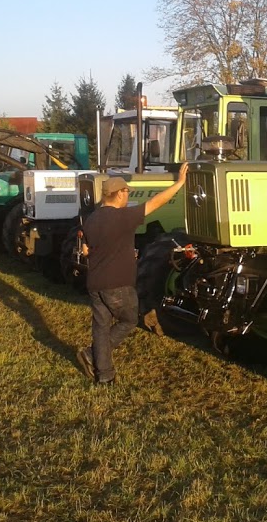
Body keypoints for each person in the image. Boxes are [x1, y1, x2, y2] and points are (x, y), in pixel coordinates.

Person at [77, 163, 189, 385]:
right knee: (129, 320)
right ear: (119, 193)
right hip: (117, 284)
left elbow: (86, 251)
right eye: (127, 192)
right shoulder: (123, 217)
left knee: (101, 326)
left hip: (95, 282)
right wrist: (179, 183)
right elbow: (156, 202)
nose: (128, 196)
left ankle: (105, 375)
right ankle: (92, 354)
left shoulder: (91, 219)